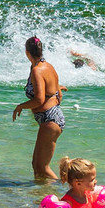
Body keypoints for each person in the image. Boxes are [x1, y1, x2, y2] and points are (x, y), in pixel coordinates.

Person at [14, 35, 66, 179]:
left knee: (43, 168)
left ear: (27, 52)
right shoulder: (47, 66)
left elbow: (39, 99)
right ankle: (41, 196)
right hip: (51, 117)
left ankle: (61, 193)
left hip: (50, 120)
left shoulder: (38, 70)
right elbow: (59, 94)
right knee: (36, 166)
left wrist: (21, 106)